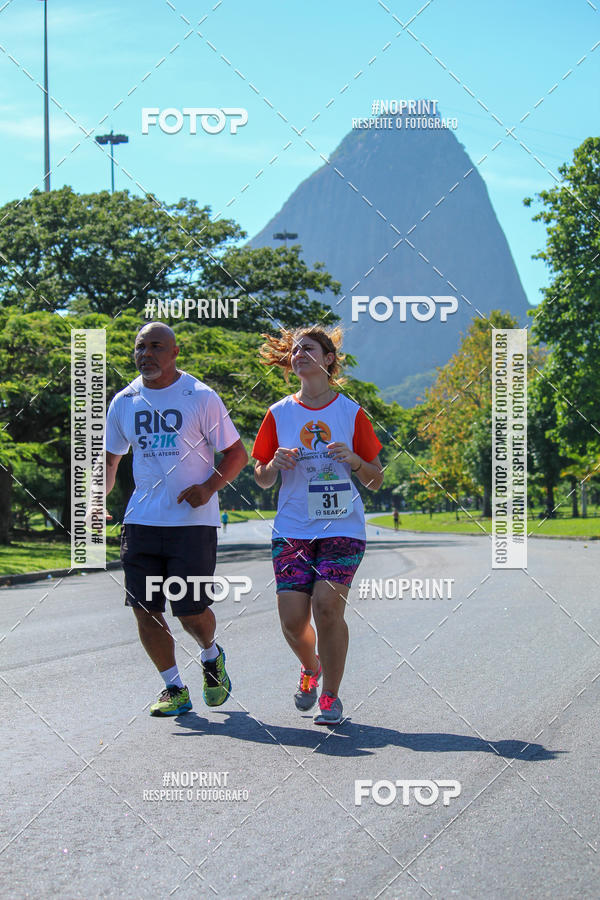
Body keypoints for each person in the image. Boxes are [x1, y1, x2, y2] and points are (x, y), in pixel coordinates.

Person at [105, 322, 248, 716]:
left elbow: (237, 454)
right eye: (140, 347)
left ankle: (211, 654)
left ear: (174, 352)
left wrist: (209, 487)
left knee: (189, 611)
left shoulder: (200, 396)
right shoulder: (125, 401)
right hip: (141, 522)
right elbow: (110, 462)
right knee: (144, 609)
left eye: (156, 346)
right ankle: (174, 688)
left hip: (192, 523)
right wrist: (94, 501)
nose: (146, 354)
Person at [252, 325, 384, 725]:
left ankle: (330, 697)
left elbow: (376, 479)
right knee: (293, 621)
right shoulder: (278, 413)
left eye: (307, 348)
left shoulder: (350, 413)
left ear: (328, 359)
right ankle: (311, 667)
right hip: (293, 528)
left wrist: (356, 461)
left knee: (327, 607)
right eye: (294, 350)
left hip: (342, 527)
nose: (298, 355)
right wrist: (273, 464)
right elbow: (261, 477)